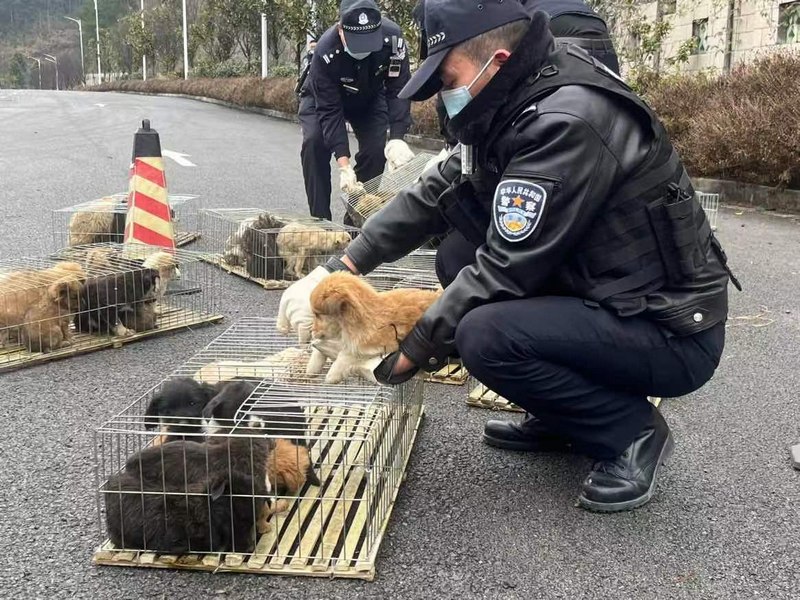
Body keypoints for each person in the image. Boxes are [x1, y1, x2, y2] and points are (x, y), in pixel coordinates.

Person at [278, 0, 740, 512]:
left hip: (668, 327)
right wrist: (342, 263)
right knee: (455, 261)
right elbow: (435, 191)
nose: (441, 96)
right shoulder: (511, 98)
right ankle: (566, 416)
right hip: (611, 297)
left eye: (446, 78)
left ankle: (631, 433)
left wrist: (411, 351)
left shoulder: (567, 120)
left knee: (481, 333)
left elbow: (505, 265)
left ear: (495, 59)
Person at [417, 0, 621, 153]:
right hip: (594, 32)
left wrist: (455, 144)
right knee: (606, 127)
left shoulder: (443, 11)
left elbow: (449, 70)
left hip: (548, 27)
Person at [298, 0, 415, 224]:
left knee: (376, 148)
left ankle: (355, 223)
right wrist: (344, 165)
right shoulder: (325, 49)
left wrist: (398, 138)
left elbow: (398, 89)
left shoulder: (394, 40)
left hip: (369, 95)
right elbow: (329, 111)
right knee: (314, 142)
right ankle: (321, 222)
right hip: (324, 97)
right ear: (340, 30)